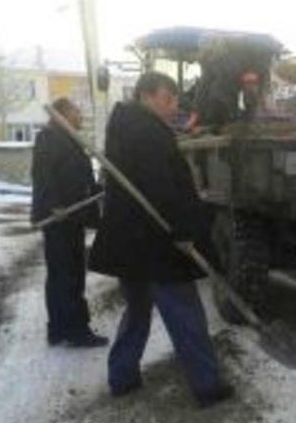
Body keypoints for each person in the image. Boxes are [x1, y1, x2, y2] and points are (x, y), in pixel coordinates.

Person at [88, 72, 233, 406]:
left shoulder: (126, 125)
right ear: (146, 96)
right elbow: (161, 188)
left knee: (137, 311)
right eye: (168, 98)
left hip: (132, 243)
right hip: (157, 243)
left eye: (175, 98)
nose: (174, 105)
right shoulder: (146, 131)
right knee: (185, 314)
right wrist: (182, 231)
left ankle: (122, 376)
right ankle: (207, 386)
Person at [30, 98, 108, 348]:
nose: (80, 115)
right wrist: (54, 204)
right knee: (67, 275)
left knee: (63, 273)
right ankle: (75, 330)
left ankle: (59, 329)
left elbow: (78, 176)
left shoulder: (69, 139)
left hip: (71, 215)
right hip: (60, 217)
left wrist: (98, 189)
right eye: (76, 111)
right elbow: (42, 174)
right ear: (62, 113)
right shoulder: (50, 137)